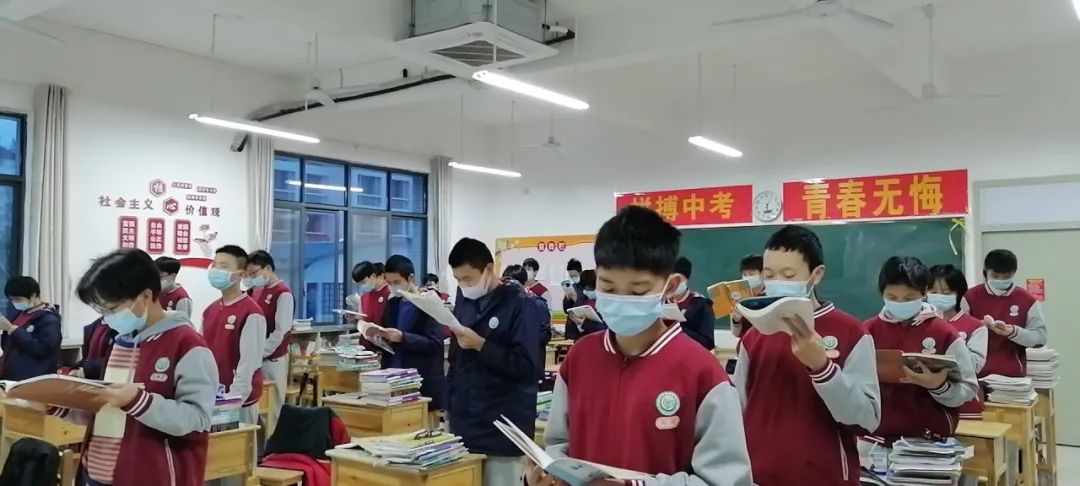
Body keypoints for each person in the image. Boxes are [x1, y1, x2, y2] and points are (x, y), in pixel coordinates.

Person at [530, 206, 753, 486]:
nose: (621, 299)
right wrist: (549, 475)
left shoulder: (703, 373)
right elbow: (558, 445)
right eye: (608, 288)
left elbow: (727, 480)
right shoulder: (580, 357)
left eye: (637, 291)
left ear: (670, 286)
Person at [734, 225, 880, 486]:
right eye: (769, 275)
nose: (776, 282)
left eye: (789, 275)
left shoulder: (851, 332)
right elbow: (737, 411)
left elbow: (867, 419)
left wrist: (823, 367)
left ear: (816, 274)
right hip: (759, 477)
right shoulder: (753, 336)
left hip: (826, 478)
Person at [63, 248, 217, 486]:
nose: (106, 318)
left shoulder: (186, 344)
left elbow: (197, 421)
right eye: (100, 310)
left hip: (150, 476)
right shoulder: (120, 340)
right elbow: (109, 412)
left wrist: (138, 401)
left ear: (145, 296)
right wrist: (59, 405)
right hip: (96, 474)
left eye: (111, 308)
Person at [448, 239, 541, 486]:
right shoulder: (464, 300)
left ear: (489, 269)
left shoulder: (521, 304)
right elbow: (455, 360)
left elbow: (527, 368)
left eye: (468, 279)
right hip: (465, 423)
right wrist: (450, 409)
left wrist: (481, 345)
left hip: (503, 427)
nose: (463, 285)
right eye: (458, 279)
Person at [860, 257, 976, 450]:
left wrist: (939, 386)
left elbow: (968, 387)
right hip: (874, 436)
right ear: (881, 293)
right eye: (892, 297)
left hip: (929, 437)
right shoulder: (867, 330)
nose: (900, 303)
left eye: (908, 298)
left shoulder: (944, 333)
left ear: (924, 292)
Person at [202, 245, 266, 426]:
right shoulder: (210, 310)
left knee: (237, 444)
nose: (216, 270)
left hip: (239, 402)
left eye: (223, 266)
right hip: (212, 397)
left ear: (241, 275)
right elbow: (201, 353)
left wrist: (231, 404)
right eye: (214, 265)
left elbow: (248, 365)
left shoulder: (251, 313)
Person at [960, 249, 1047, 378]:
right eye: (995, 276)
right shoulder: (969, 297)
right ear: (985, 273)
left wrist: (1014, 332)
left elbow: (1040, 338)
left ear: (1014, 273)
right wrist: (978, 327)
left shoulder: (1027, 300)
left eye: (1006, 276)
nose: (1000, 280)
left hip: (1012, 376)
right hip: (974, 374)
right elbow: (957, 332)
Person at [375, 255, 446, 410]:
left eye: (397, 282)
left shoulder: (428, 304)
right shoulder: (392, 304)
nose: (393, 287)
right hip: (393, 379)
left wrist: (403, 337)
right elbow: (385, 331)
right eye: (389, 283)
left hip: (420, 380)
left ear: (410, 278)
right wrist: (378, 337)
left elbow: (435, 344)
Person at [928, 264, 987, 421]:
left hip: (964, 407)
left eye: (946, 292)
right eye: (933, 292)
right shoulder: (921, 323)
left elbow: (975, 366)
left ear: (958, 294)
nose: (939, 296)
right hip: (928, 404)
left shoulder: (976, 326)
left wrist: (950, 336)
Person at [245, 250, 293, 425]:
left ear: (268, 268)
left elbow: (281, 331)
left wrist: (261, 351)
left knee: (273, 410)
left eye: (254, 273)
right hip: (255, 358)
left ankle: (274, 441)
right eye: (249, 274)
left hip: (273, 359)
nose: (252, 277)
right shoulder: (257, 291)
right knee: (256, 408)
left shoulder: (283, 293)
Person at [0, 276, 62, 381]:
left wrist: (12, 329)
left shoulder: (49, 319)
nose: (14, 303)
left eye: (18, 299)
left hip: (32, 378)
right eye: (12, 300)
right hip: (11, 375)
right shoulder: (19, 314)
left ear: (33, 295)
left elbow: (43, 348)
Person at [503, 265, 553, 380]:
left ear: (524, 284)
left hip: (531, 365)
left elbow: (545, 335)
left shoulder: (537, 304)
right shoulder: (502, 304)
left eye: (513, 283)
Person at [668, 256, 716, 350]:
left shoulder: (701, 304)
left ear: (687, 279)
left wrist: (678, 330)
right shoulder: (659, 303)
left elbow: (707, 342)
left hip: (689, 354)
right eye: (669, 280)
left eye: (678, 279)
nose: (674, 284)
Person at [564, 269, 605, 341]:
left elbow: (606, 328)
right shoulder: (582, 299)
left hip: (599, 339)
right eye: (585, 287)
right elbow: (569, 315)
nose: (586, 290)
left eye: (590, 287)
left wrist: (585, 323)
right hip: (580, 338)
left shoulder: (606, 302)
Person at [730, 254, 764, 338]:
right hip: (745, 342)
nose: (747, 277)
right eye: (744, 275)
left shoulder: (769, 295)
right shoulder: (739, 296)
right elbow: (736, 333)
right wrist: (736, 320)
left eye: (751, 274)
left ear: (763, 273)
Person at [351, 261, 390, 325]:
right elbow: (363, 319)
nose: (362, 286)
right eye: (360, 283)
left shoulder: (389, 292)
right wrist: (355, 318)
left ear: (373, 275)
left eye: (363, 282)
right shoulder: (364, 297)